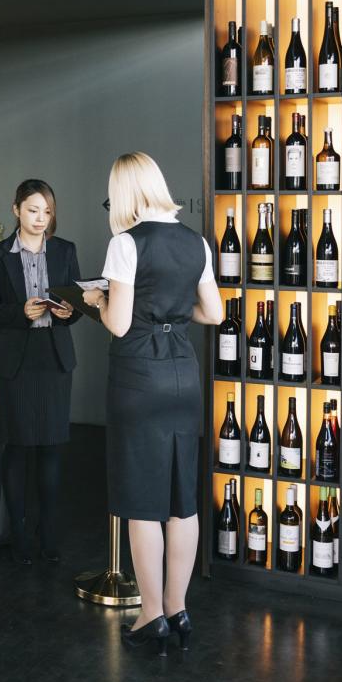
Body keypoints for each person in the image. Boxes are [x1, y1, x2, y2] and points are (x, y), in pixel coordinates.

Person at [84, 152, 222, 655]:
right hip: (184, 375)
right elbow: (215, 311)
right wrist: (171, 308)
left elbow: (118, 324)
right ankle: (179, 606)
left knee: (142, 503)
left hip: (139, 377)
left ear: (125, 192)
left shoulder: (126, 243)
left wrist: (98, 301)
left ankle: (151, 615)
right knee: (182, 501)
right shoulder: (196, 242)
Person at [0, 179, 84, 564]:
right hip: (15, 362)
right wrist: (19, 312)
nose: (40, 219)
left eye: (47, 212)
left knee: (52, 450)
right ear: (16, 210)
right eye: (33, 210)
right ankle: (20, 536)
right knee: (18, 449)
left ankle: (49, 537)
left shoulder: (65, 251)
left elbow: (75, 308)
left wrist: (69, 313)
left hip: (54, 359)